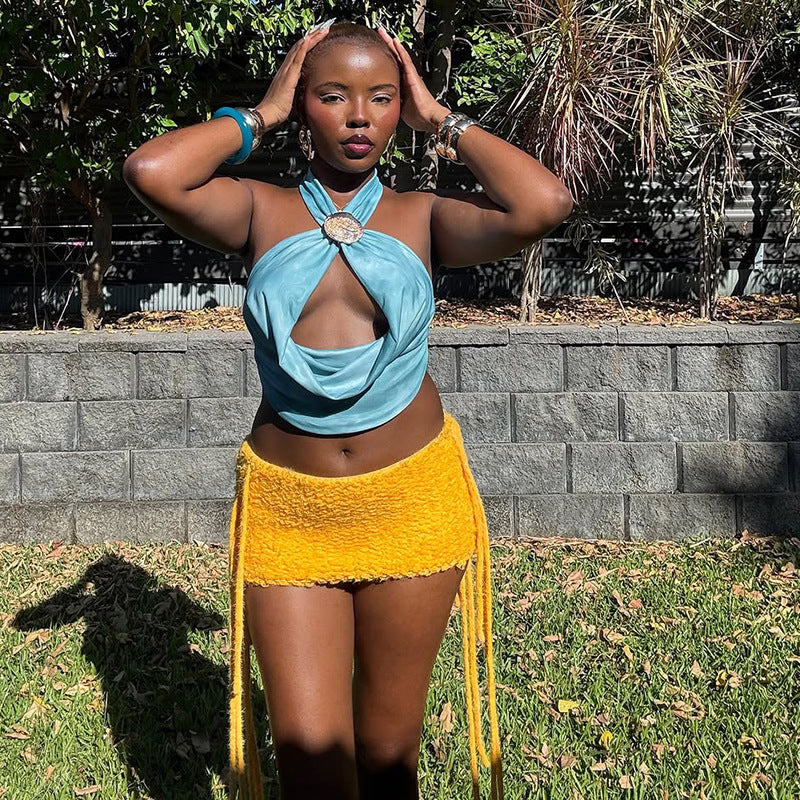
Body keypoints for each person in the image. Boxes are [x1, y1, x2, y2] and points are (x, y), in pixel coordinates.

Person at [123, 18, 573, 800]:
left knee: (389, 754)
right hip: (290, 509)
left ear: (402, 108)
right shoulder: (258, 210)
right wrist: (257, 115)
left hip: (411, 497)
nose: (359, 116)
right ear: (304, 106)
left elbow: (544, 202)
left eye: (382, 98)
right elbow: (152, 170)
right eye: (332, 96)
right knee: (309, 759)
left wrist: (444, 120)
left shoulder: (423, 216)